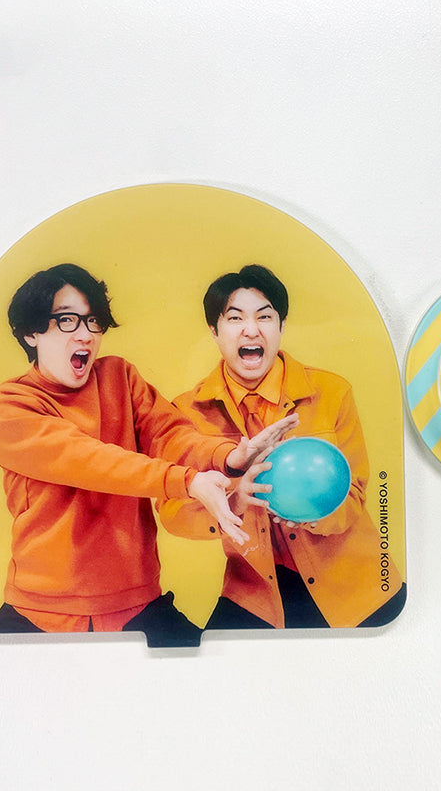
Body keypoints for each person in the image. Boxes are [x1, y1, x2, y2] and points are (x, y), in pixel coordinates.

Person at [0, 263, 296, 644]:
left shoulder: (119, 377)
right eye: (67, 321)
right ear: (31, 332)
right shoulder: (10, 405)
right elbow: (89, 461)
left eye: (92, 321)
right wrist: (188, 482)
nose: (85, 335)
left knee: (212, 671)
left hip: (139, 605)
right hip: (42, 613)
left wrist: (228, 457)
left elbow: (170, 434)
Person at [157, 264, 406, 629]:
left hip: (356, 589)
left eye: (264, 316)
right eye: (235, 318)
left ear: (281, 326)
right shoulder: (186, 413)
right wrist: (233, 501)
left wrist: (313, 513)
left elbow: (354, 494)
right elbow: (172, 512)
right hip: (255, 593)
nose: (251, 329)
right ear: (214, 331)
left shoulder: (331, 392)